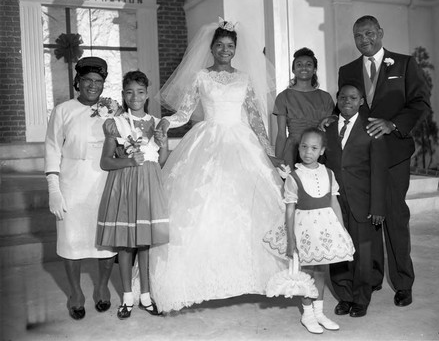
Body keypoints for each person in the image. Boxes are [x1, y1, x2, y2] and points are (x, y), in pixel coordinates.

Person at [148, 18, 287, 312]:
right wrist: (165, 121)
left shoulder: (245, 79)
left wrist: (269, 151)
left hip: (241, 141)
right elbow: (184, 114)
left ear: (235, 49)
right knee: (200, 203)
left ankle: (258, 278)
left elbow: (257, 120)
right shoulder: (200, 77)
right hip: (206, 140)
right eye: (220, 45)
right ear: (211, 48)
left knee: (251, 204)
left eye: (230, 46)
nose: (225, 50)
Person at [325, 15, 430, 307]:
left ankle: (403, 282)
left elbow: (420, 102)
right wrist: (331, 120)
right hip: (358, 160)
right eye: (358, 35)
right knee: (363, 217)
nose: (364, 39)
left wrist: (393, 125)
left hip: (393, 155)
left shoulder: (405, 64)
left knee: (394, 217)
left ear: (381, 33)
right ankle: (369, 279)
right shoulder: (347, 69)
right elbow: (344, 105)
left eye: (370, 33)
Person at [44, 56, 118, 320]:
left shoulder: (112, 110)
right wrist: (54, 188)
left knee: (106, 241)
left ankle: (101, 287)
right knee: (70, 240)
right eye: (87, 80)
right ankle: (76, 293)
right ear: (78, 81)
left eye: (98, 81)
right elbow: (52, 149)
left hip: (103, 182)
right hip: (72, 182)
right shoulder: (63, 110)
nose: (93, 86)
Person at [263, 128, 354, 334]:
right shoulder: (294, 177)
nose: (307, 152)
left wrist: (341, 230)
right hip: (304, 231)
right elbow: (289, 209)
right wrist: (291, 240)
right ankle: (307, 313)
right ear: (299, 148)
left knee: (321, 271)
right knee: (306, 273)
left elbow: (334, 202)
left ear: (322, 151)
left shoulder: (329, 174)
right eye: (304, 146)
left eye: (313, 148)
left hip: (323, 229)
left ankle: (319, 311)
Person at [96, 71, 169, 319]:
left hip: (148, 185)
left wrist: (164, 143)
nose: (134, 97)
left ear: (147, 94)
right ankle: (127, 296)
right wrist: (128, 160)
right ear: (123, 96)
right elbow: (105, 162)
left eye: (140, 91)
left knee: (144, 242)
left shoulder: (156, 123)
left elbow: (161, 160)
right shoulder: (116, 123)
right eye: (129, 92)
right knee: (126, 244)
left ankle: (146, 296)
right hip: (125, 185)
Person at [324, 83, 388, 318]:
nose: (347, 101)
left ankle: (361, 298)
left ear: (361, 101)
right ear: (337, 100)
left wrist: (378, 206)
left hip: (363, 201)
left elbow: (379, 171)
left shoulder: (371, 129)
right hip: (335, 201)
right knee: (338, 249)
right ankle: (344, 295)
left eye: (353, 98)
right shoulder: (328, 128)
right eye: (342, 98)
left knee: (362, 252)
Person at [274, 48, 334, 168]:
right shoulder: (283, 97)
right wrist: (278, 161)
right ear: (293, 69)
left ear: (315, 69)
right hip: (292, 151)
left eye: (308, 65)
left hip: (318, 152)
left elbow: (331, 129)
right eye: (299, 65)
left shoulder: (325, 97)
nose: (304, 68)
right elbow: (281, 134)